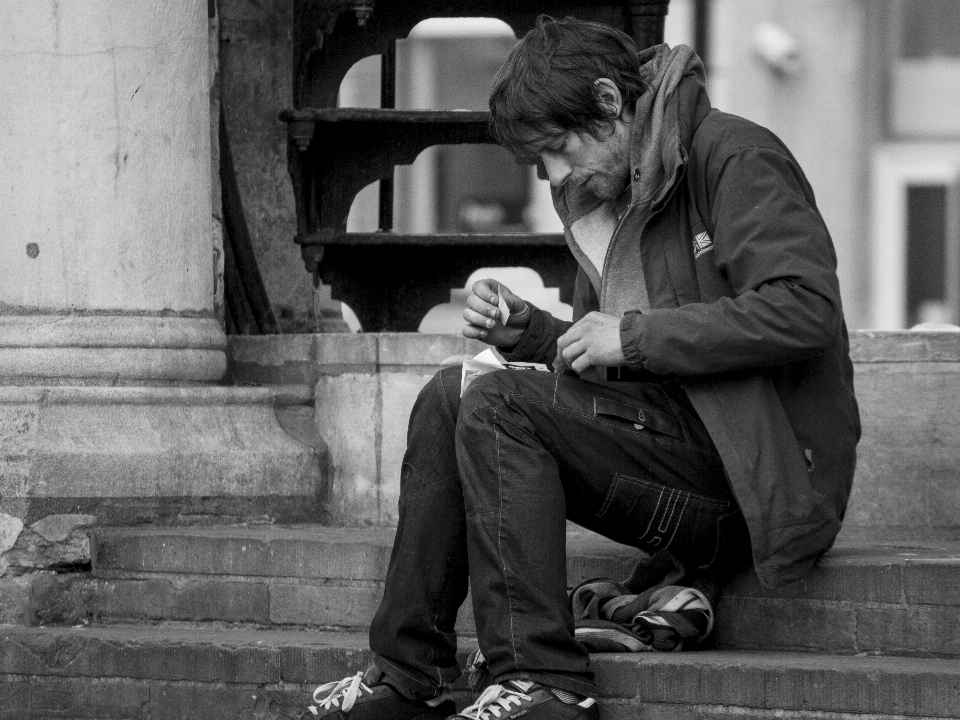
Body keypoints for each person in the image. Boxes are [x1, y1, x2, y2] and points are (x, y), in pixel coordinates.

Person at [302, 14, 860, 720]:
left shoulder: (735, 156)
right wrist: (533, 335)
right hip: (675, 450)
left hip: (762, 480)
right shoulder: (611, 195)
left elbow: (804, 310)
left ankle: (542, 680)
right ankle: (403, 674)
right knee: (455, 391)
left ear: (607, 101)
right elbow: (616, 372)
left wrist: (628, 336)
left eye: (558, 150)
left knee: (501, 404)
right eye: (542, 163)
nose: (557, 175)